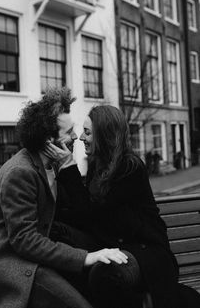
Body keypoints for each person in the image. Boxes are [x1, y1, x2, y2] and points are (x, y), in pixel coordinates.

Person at [0, 89, 128, 308]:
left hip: (35, 260)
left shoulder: (49, 166)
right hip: (11, 265)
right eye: (69, 132)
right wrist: (86, 257)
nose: (74, 137)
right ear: (49, 140)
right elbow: (24, 239)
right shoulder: (20, 172)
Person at [45, 105, 200, 308]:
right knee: (57, 232)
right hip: (108, 241)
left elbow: (89, 211)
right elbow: (80, 213)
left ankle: (150, 302)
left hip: (143, 252)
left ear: (105, 136)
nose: (81, 137)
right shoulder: (97, 165)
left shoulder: (129, 167)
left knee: (106, 273)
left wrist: (68, 166)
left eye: (88, 132)